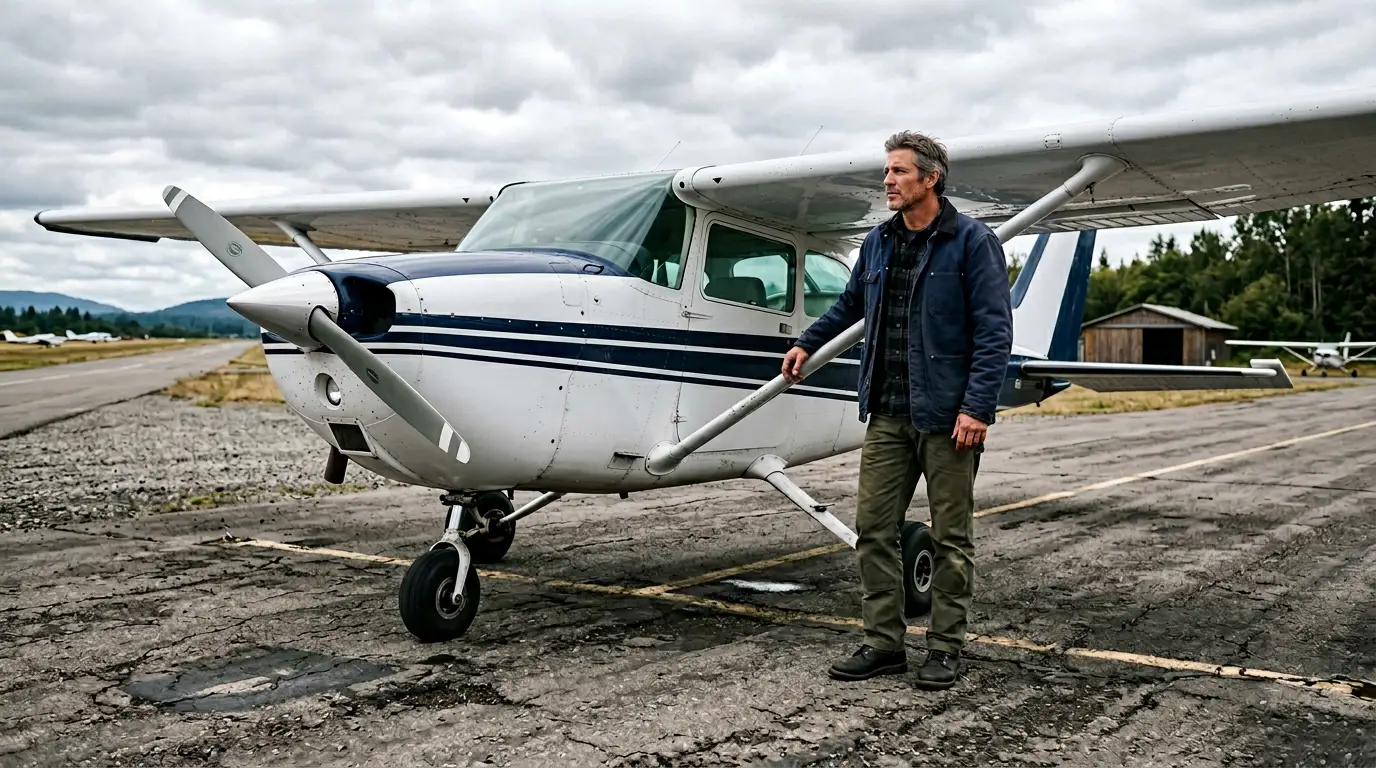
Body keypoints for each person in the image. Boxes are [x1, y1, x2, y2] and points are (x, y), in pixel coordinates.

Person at [782, 131, 1012, 690]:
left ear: (931, 179)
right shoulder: (879, 242)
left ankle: (946, 647)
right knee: (873, 529)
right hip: (887, 413)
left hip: (948, 417)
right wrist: (808, 342)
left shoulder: (973, 241)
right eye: (886, 171)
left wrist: (977, 408)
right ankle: (884, 643)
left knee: (951, 538)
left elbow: (994, 332)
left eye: (899, 171)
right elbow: (850, 304)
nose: (887, 180)